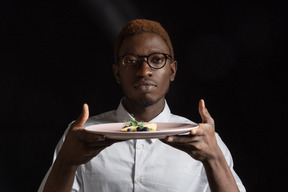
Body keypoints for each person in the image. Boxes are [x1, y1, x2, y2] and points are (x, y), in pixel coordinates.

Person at [38, 19, 245, 192]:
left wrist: (214, 158)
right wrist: (67, 162)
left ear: (172, 71)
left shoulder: (204, 140)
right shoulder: (81, 135)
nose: (144, 70)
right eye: (131, 61)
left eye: (157, 59)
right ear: (117, 72)